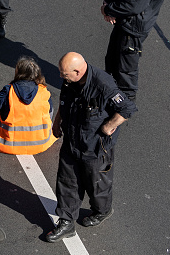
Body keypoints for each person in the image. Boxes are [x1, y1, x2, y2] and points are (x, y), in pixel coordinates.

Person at [46, 52, 137, 243]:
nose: (62, 78)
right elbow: (64, 103)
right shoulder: (70, 82)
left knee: (97, 185)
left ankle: (102, 211)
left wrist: (109, 126)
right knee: (67, 181)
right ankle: (66, 222)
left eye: (65, 74)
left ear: (78, 71)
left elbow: (126, 109)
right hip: (72, 140)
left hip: (95, 147)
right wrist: (57, 123)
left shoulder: (103, 84)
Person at [102, 0, 167, 101]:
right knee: (112, 59)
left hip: (133, 28)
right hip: (122, 21)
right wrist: (107, 2)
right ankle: (109, 92)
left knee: (126, 69)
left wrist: (109, 9)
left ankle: (124, 105)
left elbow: (134, 6)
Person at [0, 56, 57, 155]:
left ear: (19, 73)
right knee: (49, 108)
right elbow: (49, 112)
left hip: (9, 144)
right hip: (39, 143)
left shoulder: (9, 90)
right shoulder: (43, 90)